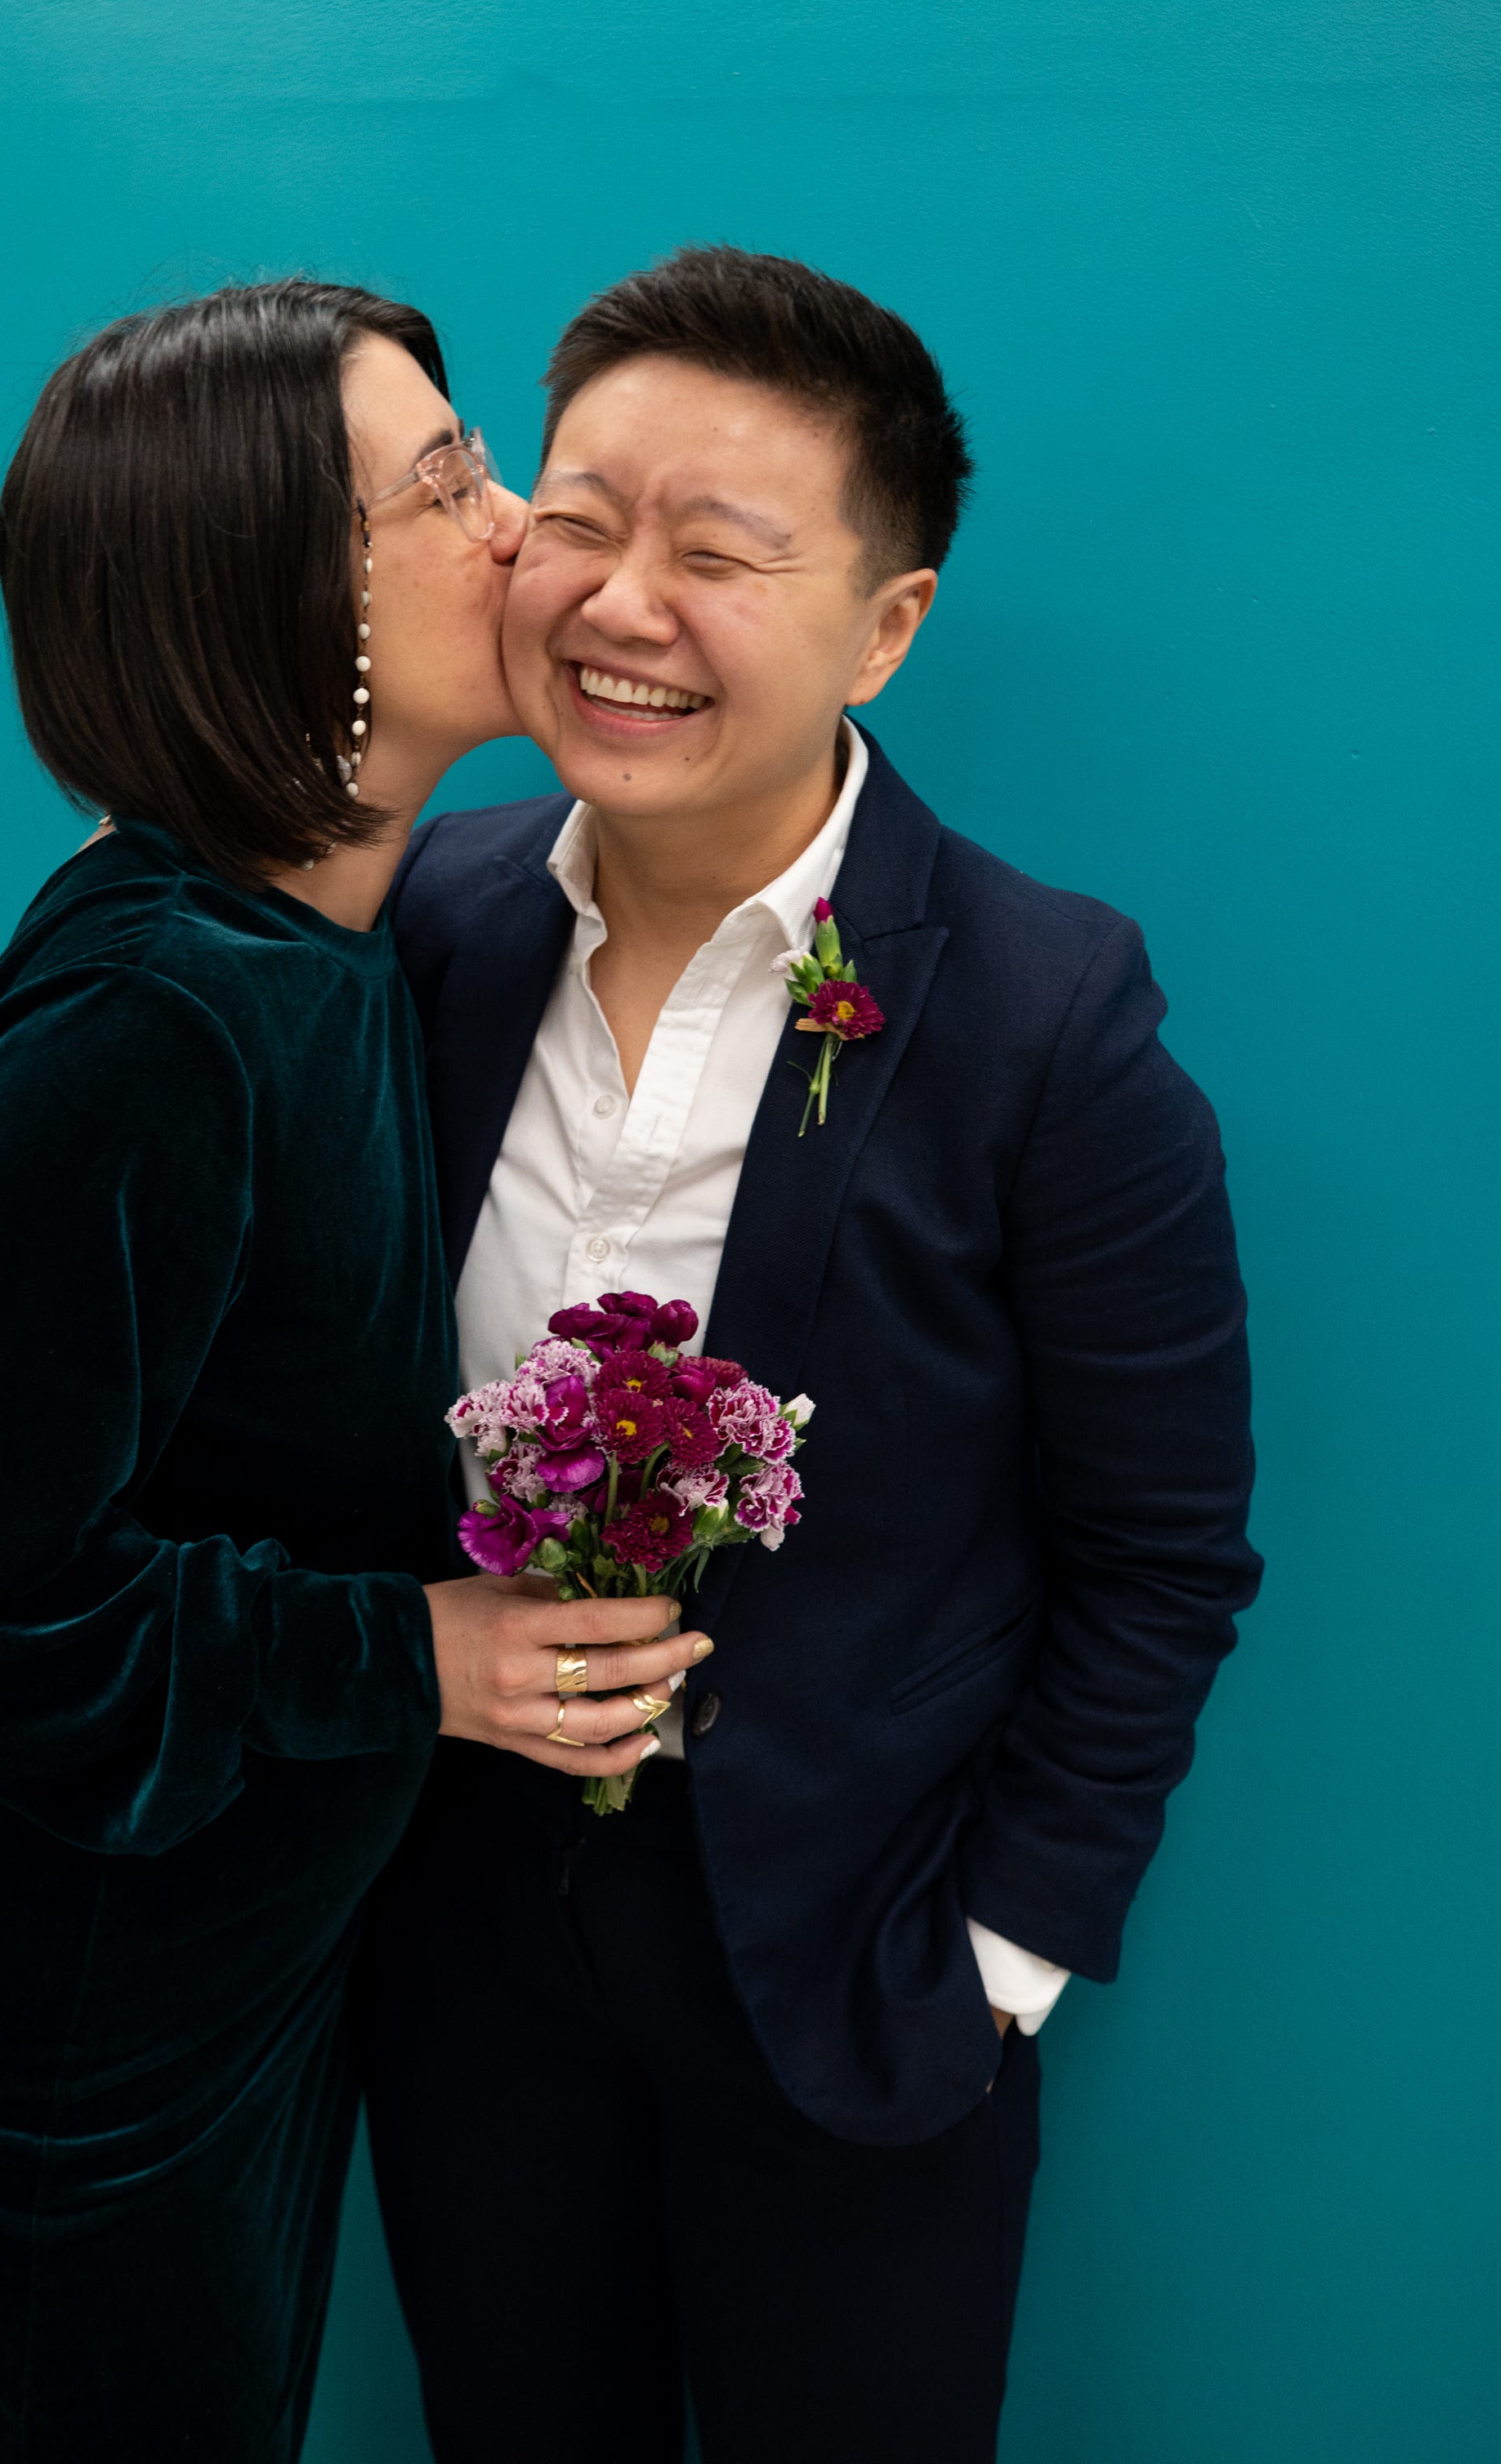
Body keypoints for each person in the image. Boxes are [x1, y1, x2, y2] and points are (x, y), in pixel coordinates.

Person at [359, 246, 1262, 2464]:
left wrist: (1001, 1962)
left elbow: (1159, 1553)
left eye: (718, 552)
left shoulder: (1045, 1015)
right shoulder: (428, 923)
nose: (620, 605)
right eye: (580, 520)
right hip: (461, 1923)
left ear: (884, 626)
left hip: (857, 1951)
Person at [0, 279, 708, 2464]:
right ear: (284, 595)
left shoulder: (320, 935)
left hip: (235, 1934)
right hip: (68, 2001)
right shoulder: (160, 1012)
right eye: (446, 480)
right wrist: (416, 1656)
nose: (522, 520)